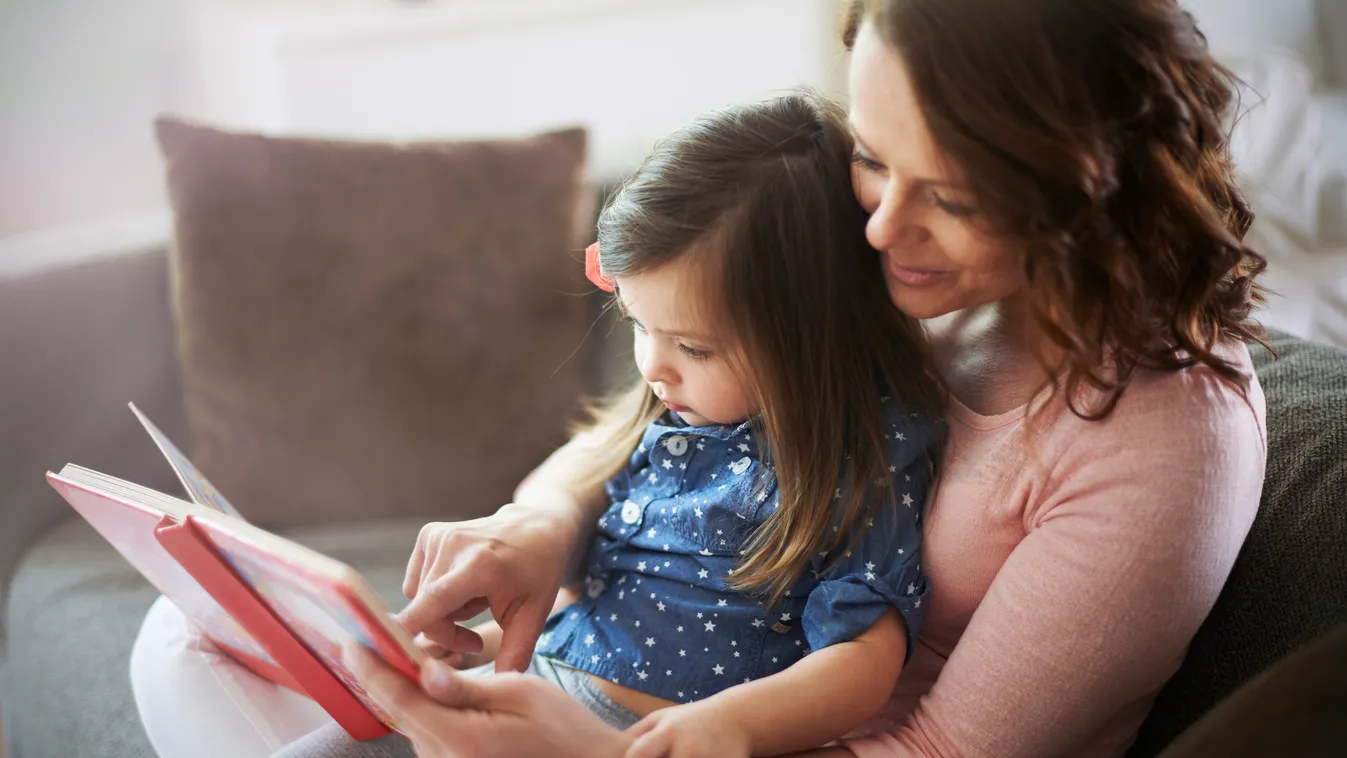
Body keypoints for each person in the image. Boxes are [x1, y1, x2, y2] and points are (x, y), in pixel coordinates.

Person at [131, 0, 1270, 755]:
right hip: (603, 688)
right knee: (185, 638)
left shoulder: (1166, 435)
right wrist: (542, 524)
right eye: (873, 158)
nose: (881, 227)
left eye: (955, 195)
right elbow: (652, 419)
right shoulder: (895, 273)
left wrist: (594, 744)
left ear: (1089, 182)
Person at [132, 92, 943, 758]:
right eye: (635, 324)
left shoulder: (860, 457)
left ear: (814, 333)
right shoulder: (671, 418)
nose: (653, 370)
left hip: (628, 731)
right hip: (545, 688)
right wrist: (474, 653)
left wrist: (728, 726)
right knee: (186, 634)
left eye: (692, 345)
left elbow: (861, 663)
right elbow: (579, 589)